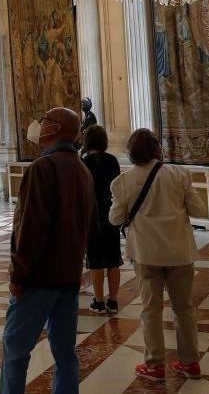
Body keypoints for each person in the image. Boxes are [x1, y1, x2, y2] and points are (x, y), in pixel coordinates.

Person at [0, 107, 96, 394]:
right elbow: (89, 225)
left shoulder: (42, 168)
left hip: (39, 277)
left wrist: (18, 273)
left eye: (44, 123)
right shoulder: (82, 170)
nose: (39, 128)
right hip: (68, 276)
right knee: (65, 352)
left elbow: (30, 228)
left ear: (54, 129)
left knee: (15, 348)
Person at [109, 128, 207, 383]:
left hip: (146, 253)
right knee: (184, 309)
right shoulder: (179, 174)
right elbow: (198, 209)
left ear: (131, 153)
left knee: (150, 309)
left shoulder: (124, 181)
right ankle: (190, 361)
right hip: (179, 251)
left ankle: (154, 364)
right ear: (156, 149)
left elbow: (115, 218)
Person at [82, 125, 121, 315]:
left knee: (95, 260)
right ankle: (113, 301)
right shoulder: (113, 161)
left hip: (91, 215)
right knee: (114, 259)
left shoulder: (84, 162)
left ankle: (98, 301)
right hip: (111, 212)